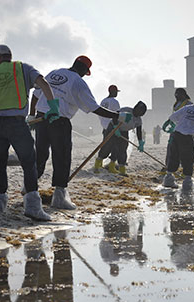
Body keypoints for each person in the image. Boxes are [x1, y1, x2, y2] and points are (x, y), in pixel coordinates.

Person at [30, 55, 129, 210]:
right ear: (84, 70)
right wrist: (118, 115)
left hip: (41, 118)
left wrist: (31, 114)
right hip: (59, 121)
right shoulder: (78, 82)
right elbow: (94, 107)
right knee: (61, 156)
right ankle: (59, 196)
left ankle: (29, 190)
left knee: (40, 154)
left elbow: (36, 95)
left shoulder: (54, 73)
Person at [0, 44, 58, 221]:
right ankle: (33, 207)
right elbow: (43, 84)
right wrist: (53, 106)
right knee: (29, 163)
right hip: (17, 124)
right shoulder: (23, 68)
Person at [93, 101, 147, 176]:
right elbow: (115, 116)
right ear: (136, 108)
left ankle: (121, 169)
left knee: (122, 148)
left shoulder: (138, 120)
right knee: (108, 146)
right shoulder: (126, 110)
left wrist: (140, 142)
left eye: (143, 113)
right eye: (140, 111)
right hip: (113, 127)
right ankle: (97, 165)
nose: (141, 114)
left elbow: (139, 131)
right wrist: (115, 127)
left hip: (124, 131)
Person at [162, 88, 193, 174]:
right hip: (175, 129)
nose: (177, 96)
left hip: (184, 130)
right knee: (171, 147)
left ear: (184, 94)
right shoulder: (176, 104)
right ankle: (168, 166)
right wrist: (170, 123)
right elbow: (174, 115)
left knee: (183, 150)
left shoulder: (189, 104)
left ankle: (184, 170)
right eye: (176, 94)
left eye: (178, 94)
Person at [97, 85, 121, 173]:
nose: (117, 94)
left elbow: (100, 114)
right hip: (112, 127)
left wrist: (104, 124)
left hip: (105, 127)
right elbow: (117, 115)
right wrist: (116, 127)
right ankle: (111, 166)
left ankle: (98, 164)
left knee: (105, 145)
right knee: (115, 147)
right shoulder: (114, 102)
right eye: (116, 92)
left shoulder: (103, 101)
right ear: (113, 92)